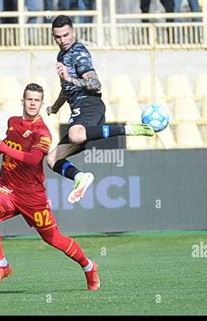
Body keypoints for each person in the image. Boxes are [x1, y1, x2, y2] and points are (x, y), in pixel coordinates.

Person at [0, 83, 100, 291]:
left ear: (41, 104)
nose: (32, 103)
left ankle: (89, 266)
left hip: (32, 196)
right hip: (7, 188)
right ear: (23, 101)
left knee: (54, 239)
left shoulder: (42, 132)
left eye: (36, 100)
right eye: (29, 99)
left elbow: (32, 160)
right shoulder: (13, 122)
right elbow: (9, 142)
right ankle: (2, 266)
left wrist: (1, 146)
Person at [46, 15, 155, 204]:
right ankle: (80, 177)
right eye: (58, 37)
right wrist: (55, 107)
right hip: (79, 109)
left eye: (66, 35)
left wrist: (70, 79)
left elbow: (95, 84)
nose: (63, 40)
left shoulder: (78, 52)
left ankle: (127, 129)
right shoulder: (62, 56)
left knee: (76, 135)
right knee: (52, 159)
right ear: (53, 36)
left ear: (73, 31)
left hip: (89, 104)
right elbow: (67, 88)